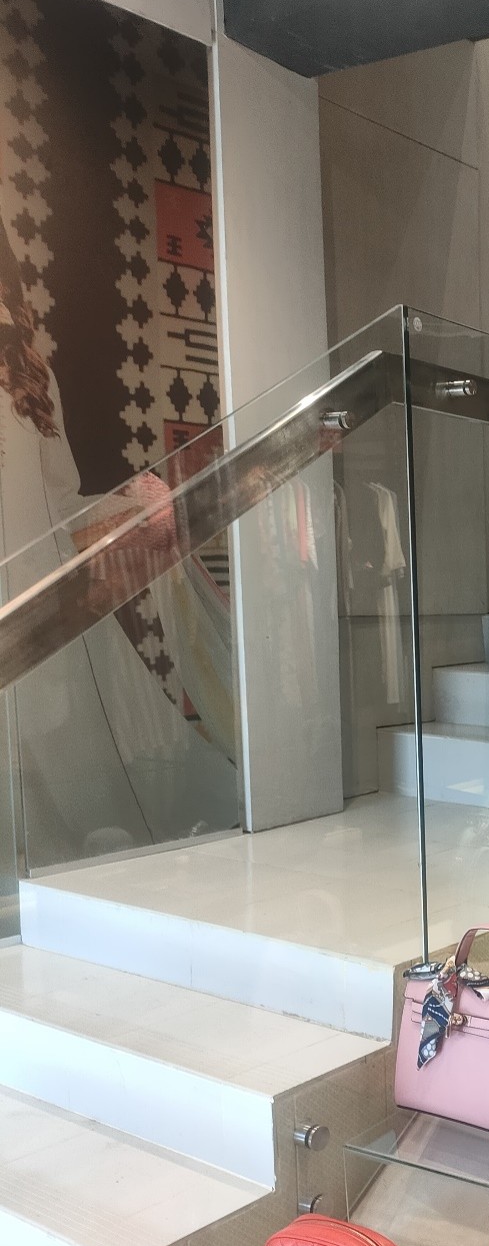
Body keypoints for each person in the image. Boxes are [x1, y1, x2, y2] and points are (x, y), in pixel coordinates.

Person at [0, 209, 237, 869]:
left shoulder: (28, 377)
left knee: (34, 786)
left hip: (31, 610)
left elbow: (60, 505)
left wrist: (133, 505)